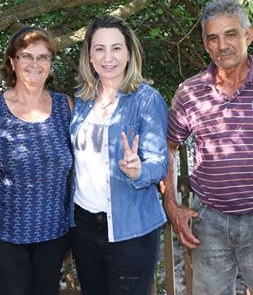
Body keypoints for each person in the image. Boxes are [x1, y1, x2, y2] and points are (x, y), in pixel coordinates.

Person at [161, 0, 253, 294]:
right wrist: (172, 206)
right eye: (213, 38)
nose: (222, 45)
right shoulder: (189, 92)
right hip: (209, 222)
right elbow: (169, 148)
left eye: (231, 34)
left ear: (248, 35)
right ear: (205, 44)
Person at [0, 27, 73, 295]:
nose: (35, 63)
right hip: (2, 239)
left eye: (42, 57)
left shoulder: (65, 107)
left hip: (53, 238)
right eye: (26, 56)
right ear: (12, 62)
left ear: (50, 65)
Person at [70, 15, 168, 295]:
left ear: (129, 54)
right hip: (84, 226)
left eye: (116, 48)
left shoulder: (146, 99)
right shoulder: (82, 99)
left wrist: (139, 171)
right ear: (89, 55)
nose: (107, 57)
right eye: (99, 48)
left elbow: (159, 162)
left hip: (130, 229)